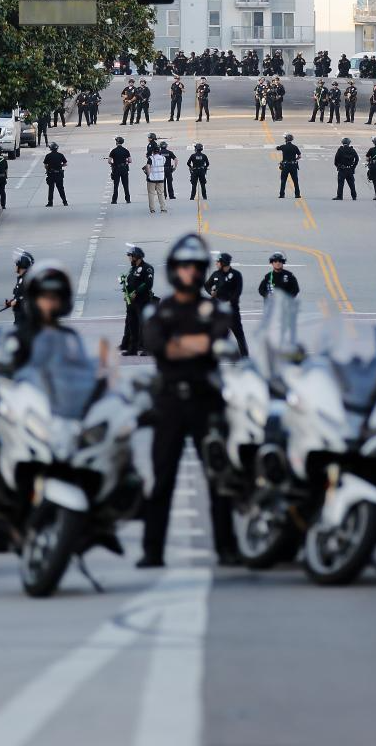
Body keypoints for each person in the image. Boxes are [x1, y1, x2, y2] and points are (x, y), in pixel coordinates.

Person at [0, 263, 81, 596]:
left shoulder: (69, 341)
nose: (50, 303)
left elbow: (85, 378)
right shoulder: (19, 337)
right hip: (21, 425)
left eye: (56, 297)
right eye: (44, 297)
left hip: (58, 426)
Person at [137, 235, 240, 567]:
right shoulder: (161, 309)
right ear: (173, 269)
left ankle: (227, 547)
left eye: (196, 267)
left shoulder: (214, 308)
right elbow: (156, 344)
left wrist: (178, 342)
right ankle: (152, 550)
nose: (190, 272)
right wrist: (196, 342)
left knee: (219, 477)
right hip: (169, 401)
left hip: (207, 400)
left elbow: (217, 339)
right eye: (184, 266)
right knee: (162, 477)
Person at [205, 252, 248, 357]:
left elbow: (237, 292)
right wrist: (211, 292)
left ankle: (245, 356)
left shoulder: (236, 275)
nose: (216, 263)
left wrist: (229, 302)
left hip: (232, 311)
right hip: (219, 312)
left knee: (239, 335)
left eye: (218, 262)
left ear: (223, 262)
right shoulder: (216, 274)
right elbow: (207, 285)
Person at [120, 246, 154, 355]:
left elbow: (148, 284)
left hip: (142, 301)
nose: (129, 258)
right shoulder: (132, 269)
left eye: (130, 256)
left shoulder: (147, 268)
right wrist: (126, 293)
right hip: (131, 303)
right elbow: (129, 283)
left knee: (144, 325)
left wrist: (136, 292)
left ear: (136, 256)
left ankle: (147, 348)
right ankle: (133, 349)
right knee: (132, 325)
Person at [3, 249, 34, 326]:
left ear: (21, 265)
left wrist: (17, 300)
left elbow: (31, 295)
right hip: (20, 317)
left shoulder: (28, 279)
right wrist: (11, 302)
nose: (15, 266)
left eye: (16, 264)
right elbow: (21, 293)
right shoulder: (21, 278)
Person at [277, 133, 301, 199]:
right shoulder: (295, 147)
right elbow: (299, 156)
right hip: (293, 166)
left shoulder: (283, 147)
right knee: (295, 180)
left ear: (286, 139)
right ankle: (297, 194)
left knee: (283, 180)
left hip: (285, 166)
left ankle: (282, 194)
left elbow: (277, 148)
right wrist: (295, 159)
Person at [144, 147, 168, 214]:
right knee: (161, 193)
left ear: (153, 152)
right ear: (159, 151)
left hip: (152, 179)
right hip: (160, 178)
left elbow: (148, 166)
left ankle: (152, 209)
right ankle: (163, 208)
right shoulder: (163, 158)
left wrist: (149, 175)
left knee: (151, 194)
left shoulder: (151, 158)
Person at [108, 136, 132, 204]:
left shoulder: (113, 151)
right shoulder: (126, 150)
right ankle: (128, 199)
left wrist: (113, 164)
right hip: (124, 169)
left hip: (116, 169)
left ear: (117, 142)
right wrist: (126, 162)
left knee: (116, 185)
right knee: (126, 185)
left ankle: (114, 200)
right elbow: (130, 160)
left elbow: (109, 161)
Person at [43, 142, 68, 207]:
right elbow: (65, 164)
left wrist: (48, 168)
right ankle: (65, 202)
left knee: (51, 189)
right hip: (59, 174)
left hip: (51, 174)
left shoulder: (48, 155)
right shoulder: (60, 155)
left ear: (51, 148)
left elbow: (45, 165)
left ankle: (50, 203)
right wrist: (60, 165)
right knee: (61, 189)